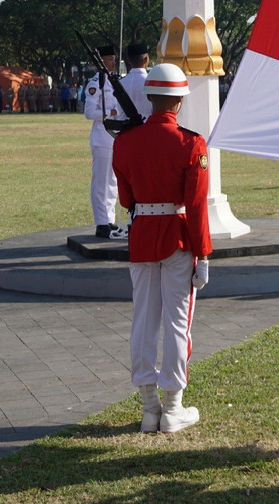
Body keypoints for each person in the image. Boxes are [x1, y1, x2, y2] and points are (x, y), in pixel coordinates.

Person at [111, 62, 212, 434]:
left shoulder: (125, 141)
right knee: (176, 322)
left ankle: (149, 407)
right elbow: (197, 205)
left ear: (149, 97)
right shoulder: (191, 142)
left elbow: (126, 198)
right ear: (180, 102)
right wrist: (203, 253)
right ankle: (173, 408)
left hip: (142, 236)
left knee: (143, 320)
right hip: (178, 236)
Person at [83, 45, 126, 238]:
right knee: (101, 182)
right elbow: (88, 112)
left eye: (114, 59)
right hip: (102, 136)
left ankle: (109, 219)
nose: (113, 62)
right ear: (101, 60)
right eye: (110, 59)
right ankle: (101, 222)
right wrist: (111, 113)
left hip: (114, 137)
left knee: (112, 181)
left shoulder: (112, 81)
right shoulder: (96, 83)